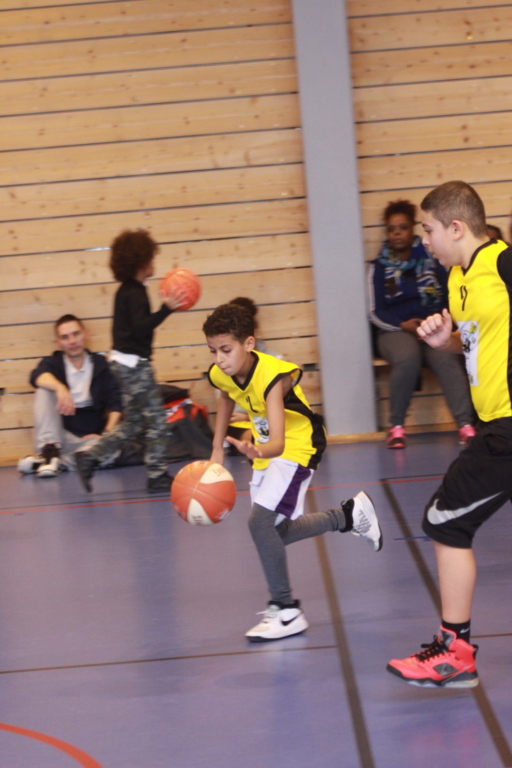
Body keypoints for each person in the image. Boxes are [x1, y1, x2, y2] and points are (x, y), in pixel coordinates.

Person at [387, 180, 512, 689]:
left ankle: (454, 653)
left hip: (508, 429)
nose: (425, 241)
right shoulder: (459, 277)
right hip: (492, 422)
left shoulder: (503, 264)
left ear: (456, 227)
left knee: (444, 521)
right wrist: (449, 341)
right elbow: (483, 339)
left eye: (429, 230)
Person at [203, 303, 383, 642]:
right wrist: (216, 448)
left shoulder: (274, 377)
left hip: (296, 446)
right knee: (274, 532)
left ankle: (286, 610)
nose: (219, 359)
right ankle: (347, 517)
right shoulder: (222, 371)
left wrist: (257, 450)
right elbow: (225, 396)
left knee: (259, 524)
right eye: (213, 351)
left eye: (226, 350)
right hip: (264, 449)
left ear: (249, 343)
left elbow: (279, 441)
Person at [74, 229, 186, 495]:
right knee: (157, 420)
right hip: (133, 365)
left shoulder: (127, 291)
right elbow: (141, 328)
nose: (154, 263)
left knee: (134, 423)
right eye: (150, 258)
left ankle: (90, 457)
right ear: (141, 261)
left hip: (123, 363)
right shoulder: (135, 292)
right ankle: (157, 476)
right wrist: (167, 308)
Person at [368, 199, 475, 449]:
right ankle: (396, 427)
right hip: (395, 330)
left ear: (411, 230)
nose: (397, 233)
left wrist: (441, 323)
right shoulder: (378, 267)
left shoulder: (432, 258)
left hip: (433, 326)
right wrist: (403, 325)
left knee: (447, 359)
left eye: (402, 227)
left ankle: (466, 426)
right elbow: (375, 312)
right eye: (392, 229)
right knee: (407, 357)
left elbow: (449, 295)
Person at [18, 314, 122, 477]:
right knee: (44, 390)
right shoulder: (53, 363)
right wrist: (60, 388)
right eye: (65, 337)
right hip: (59, 438)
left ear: (85, 334)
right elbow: (35, 376)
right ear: (58, 342)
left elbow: (117, 403)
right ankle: (50, 451)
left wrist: (105, 435)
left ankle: (51, 462)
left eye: (76, 334)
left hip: (90, 440)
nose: (72, 341)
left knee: (111, 451)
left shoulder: (102, 365)